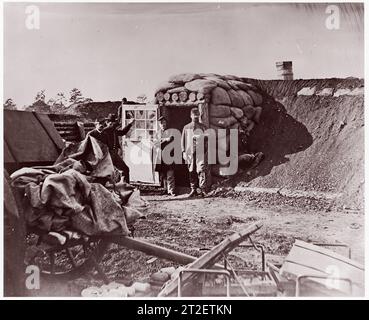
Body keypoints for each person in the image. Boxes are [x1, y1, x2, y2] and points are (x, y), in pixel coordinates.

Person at [88, 114, 135, 183]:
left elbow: (122, 132)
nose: (112, 123)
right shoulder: (105, 131)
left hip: (114, 154)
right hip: (107, 155)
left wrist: (130, 124)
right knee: (105, 174)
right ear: (107, 123)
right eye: (110, 122)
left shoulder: (113, 130)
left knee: (125, 169)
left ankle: (126, 187)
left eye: (113, 122)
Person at [181, 108, 209, 198]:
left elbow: (208, 138)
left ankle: (202, 189)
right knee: (191, 171)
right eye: (194, 115)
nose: (196, 117)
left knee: (201, 170)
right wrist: (183, 152)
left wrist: (203, 137)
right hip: (190, 152)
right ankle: (193, 189)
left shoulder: (203, 127)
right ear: (191, 116)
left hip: (201, 152)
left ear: (199, 115)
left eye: (197, 115)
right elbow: (183, 140)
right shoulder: (186, 127)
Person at [153, 116, 177, 196]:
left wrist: (165, 140)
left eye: (164, 122)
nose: (163, 124)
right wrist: (164, 140)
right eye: (161, 123)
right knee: (163, 174)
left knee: (170, 173)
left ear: (166, 123)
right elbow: (155, 143)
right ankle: (165, 189)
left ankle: (171, 190)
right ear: (159, 125)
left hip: (169, 155)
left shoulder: (171, 132)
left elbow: (172, 140)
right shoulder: (157, 133)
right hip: (160, 155)